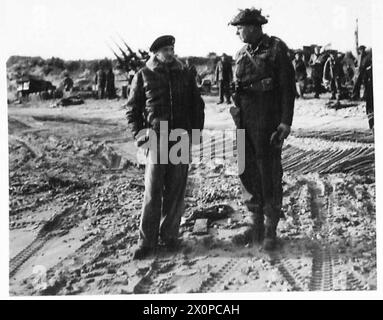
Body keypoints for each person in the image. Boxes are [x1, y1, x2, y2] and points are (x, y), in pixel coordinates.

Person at [125, 35, 205, 259]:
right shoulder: (144, 75)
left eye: (172, 49)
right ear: (156, 53)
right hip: (155, 138)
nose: (170, 53)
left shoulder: (184, 73)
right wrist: (139, 134)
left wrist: (195, 133)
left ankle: (169, 237)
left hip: (180, 137)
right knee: (153, 191)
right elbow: (132, 110)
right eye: (166, 50)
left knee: (176, 190)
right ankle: (146, 242)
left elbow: (197, 105)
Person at [228, 8, 295, 250]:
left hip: (267, 121)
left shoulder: (276, 49)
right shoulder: (240, 54)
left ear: (254, 27)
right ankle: (254, 223)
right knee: (246, 170)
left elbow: (288, 88)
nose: (237, 32)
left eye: (240, 27)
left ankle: (269, 229)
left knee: (269, 172)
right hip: (243, 120)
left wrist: (285, 122)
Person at [353, 49, 373, 129]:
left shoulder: (366, 58)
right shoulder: (366, 61)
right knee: (371, 109)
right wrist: (355, 92)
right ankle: (372, 126)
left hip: (369, 90)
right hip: (369, 91)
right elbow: (360, 78)